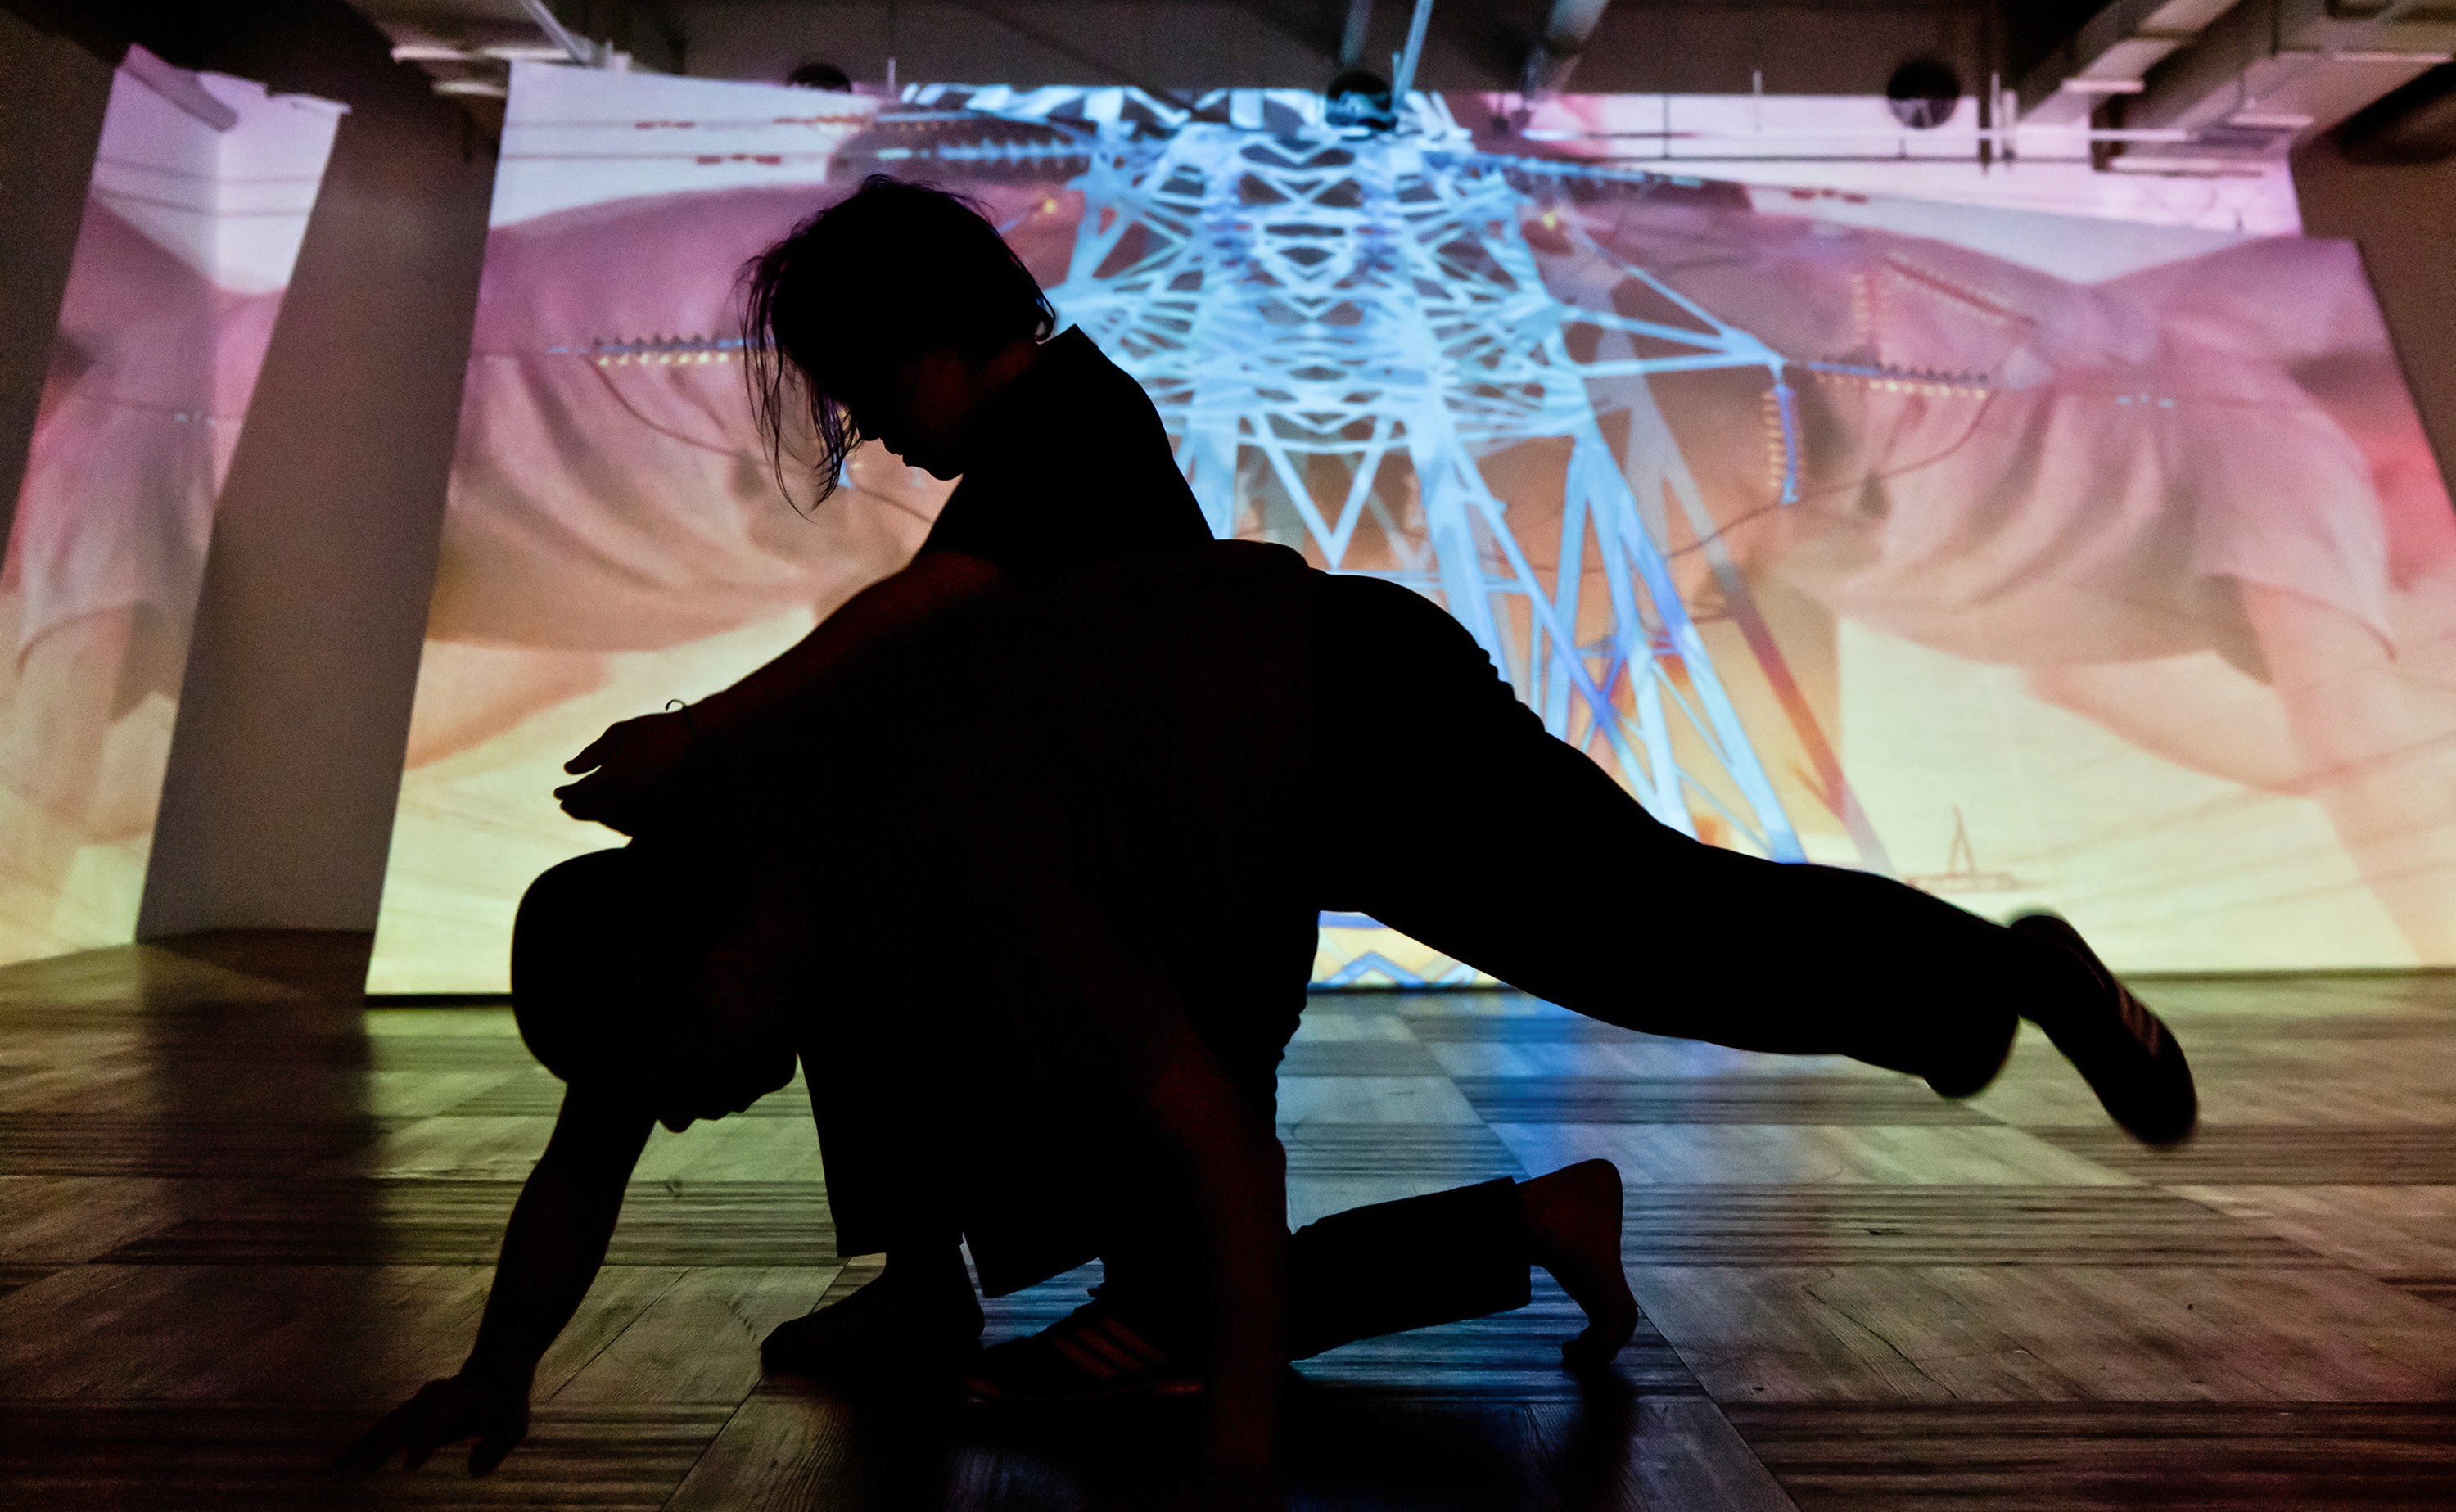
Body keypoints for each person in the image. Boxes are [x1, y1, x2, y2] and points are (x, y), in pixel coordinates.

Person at [343, 541, 2196, 1505]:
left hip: (1335, 714)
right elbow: (588, 1136)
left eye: (681, 1091)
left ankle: (2001, 977)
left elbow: (1221, 1131)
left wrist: (1240, 1468)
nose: (684, 1122)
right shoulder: (707, 896)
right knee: (1646, 942)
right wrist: (503, 1369)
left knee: (1656, 938)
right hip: (1211, 784)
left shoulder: (930, 873)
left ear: (714, 969)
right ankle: (1952, 1012)